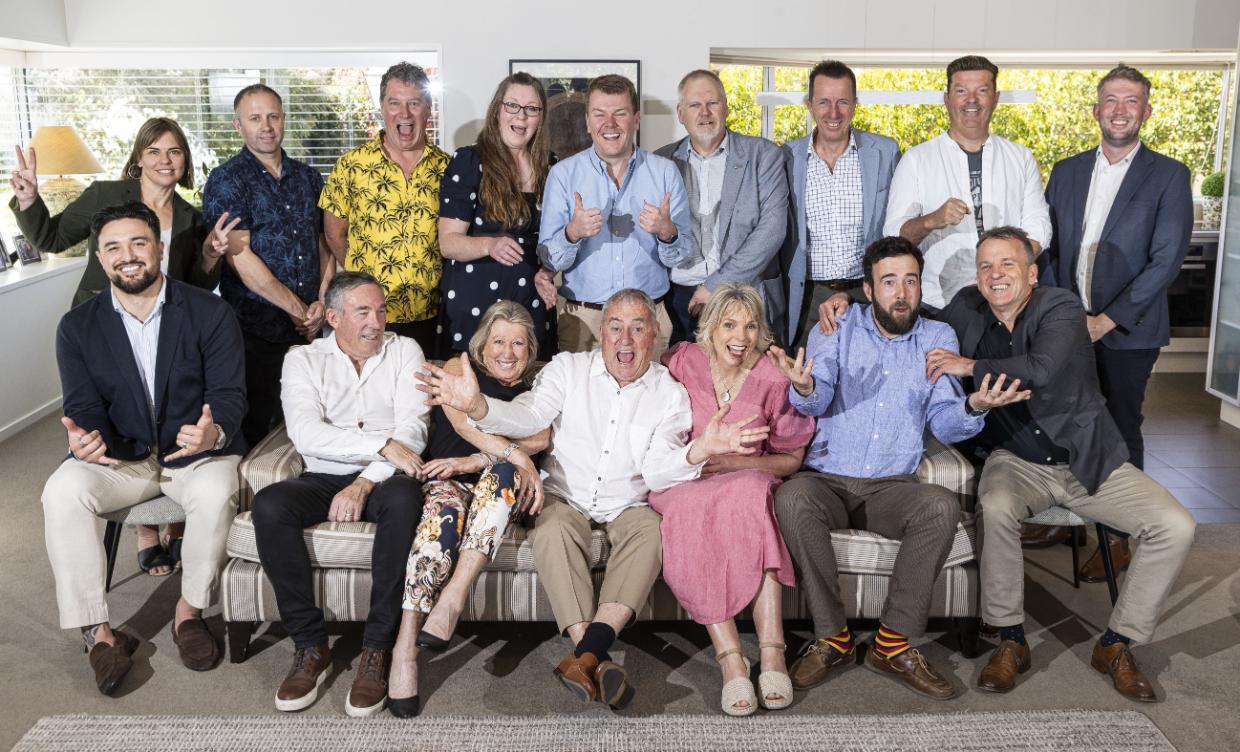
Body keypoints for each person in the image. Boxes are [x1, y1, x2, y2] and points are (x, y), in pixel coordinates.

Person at [417, 288, 768, 711]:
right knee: (551, 529)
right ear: (602, 332)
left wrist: (700, 450)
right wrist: (478, 407)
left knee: (652, 531)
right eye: (615, 327)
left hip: (629, 503)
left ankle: (583, 658)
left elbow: (658, 471)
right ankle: (594, 657)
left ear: (653, 334)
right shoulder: (567, 369)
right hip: (566, 497)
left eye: (637, 328)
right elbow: (528, 415)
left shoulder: (669, 392)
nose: (625, 339)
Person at [933, 226, 1195, 702]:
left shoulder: (1061, 306)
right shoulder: (966, 306)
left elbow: (1042, 368)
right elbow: (912, 316)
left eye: (1007, 263)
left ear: (1032, 273)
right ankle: (1010, 640)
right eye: (985, 265)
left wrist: (968, 366)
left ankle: (1116, 643)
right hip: (1016, 459)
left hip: (1085, 457)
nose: (995, 274)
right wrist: (848, 303)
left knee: (1175, 526)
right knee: (995, 506)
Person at [769, 235, 1027, 700]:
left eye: (911, 281)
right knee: (791, 497)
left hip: (892, 487)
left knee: (940, 507)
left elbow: (944, 423)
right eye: (889, 282)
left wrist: (974, 405)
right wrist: (804, 387)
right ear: (869, 289)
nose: (902, 293)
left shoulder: (937, 337)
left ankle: (891, 644)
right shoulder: (836, 325)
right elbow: (816, 397)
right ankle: (832, 638)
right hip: (827, 479)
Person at [13, 118, 235, 576]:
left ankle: (177, 524)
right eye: (154, 151)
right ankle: (146, 531)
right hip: (108, 327)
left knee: (171, 410)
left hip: (165, 331)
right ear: (138, 157)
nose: (164, 161)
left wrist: (212, 254)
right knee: (113, 420)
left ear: (185, 161)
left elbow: (192, 289)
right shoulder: (105, 196)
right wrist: (30, 199)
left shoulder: (191, 217)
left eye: (174, 152)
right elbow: (51, 238)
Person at [40, 201, 246, 694]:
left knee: (217, 491)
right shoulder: (77, 326)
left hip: (194, 453)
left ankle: (189, 612)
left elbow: (229, 395)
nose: (127, 255)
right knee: (61, 491)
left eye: (138, 242)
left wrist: (214, 431)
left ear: (159, 247)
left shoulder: (210, 311)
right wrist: (86, 439)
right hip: (121, 456)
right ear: (99, 257)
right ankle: (99, 635)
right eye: (113, 247)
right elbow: (82, 405)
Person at [1034, 66, 1193, 579]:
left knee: (1120, 428)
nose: (1120, 110)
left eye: (1131, 101)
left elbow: (1166, 260)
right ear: (1096, 109)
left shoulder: (1169, 175)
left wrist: (1107, 320)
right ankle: (1067, 521)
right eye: (1111, 100)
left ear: (1146, 111)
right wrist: (1062, 314)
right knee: (1064, 422)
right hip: (1069, 326)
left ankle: (1120, 536)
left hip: (1128, 331)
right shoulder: (1066, 171)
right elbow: (1050, 248)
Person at [251, 271, 430, 717]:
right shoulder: (303, 360)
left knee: (404, 501)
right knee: (269, 506)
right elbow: (306, 434)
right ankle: (310, 645)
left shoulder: (405, 350)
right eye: (363, 312)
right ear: (333, 317)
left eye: (381, 311)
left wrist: (366, 479)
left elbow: (413, 431)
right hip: (323, 474)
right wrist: (380, 443)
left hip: (387, 478)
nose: (376, 322)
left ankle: (377, 650)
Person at [648, 283, 814, 716]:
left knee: (750, 495)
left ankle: (773, 653)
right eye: (729, 325)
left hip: (746, 477)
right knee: (686, 508)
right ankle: (731, 662)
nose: (740, 337)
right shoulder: (683, 360)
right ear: (710, 328)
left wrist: (738, 464)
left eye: (750, 326)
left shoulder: (773, 377)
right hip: (690, 479)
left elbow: (792, 458)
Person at [386, 302, 551, 718]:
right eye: (499, 341)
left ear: (530, 348)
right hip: (448, 482)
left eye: (518, 343)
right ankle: (404, 648)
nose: (508, 352)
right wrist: (513, 451)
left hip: (499, 489)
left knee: (503, 475)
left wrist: (482, 460)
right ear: (482, 343)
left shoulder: (540, 385)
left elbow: (541, 437)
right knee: (438, 525)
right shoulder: (458, 371)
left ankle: (453, 599)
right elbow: (463, 424)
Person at [203, 83, 334, 448]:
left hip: (310, 328)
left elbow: (323, 242)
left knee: (311, 421)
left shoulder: (309, 178)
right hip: (255, 328)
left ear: (284, 119)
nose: (266, 126)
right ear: (238, 125)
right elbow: (239, 256)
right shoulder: (226, 180)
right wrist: (298, 310)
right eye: (255, 118)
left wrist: (322, 302)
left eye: (273, 116)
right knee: (258, 429)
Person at [537, 74, 693, 356]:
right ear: (587, 121)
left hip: (648, 320)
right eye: (600, 114)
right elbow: (548, 259)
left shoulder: (665, 172)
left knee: (651, 387)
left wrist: (667, 233)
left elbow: (681, 257)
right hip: (584, 323)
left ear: (636, 120)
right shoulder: (562, 175)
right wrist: (572, 233)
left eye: (620, 113)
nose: (609, 124)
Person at [884, 55, 1050, 312]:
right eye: (961, 91)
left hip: (1011, 305)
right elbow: (894, 237)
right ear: (947, 99)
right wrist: (932, 220)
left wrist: (1005, 270)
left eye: (982, 91)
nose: (971, 100)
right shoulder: (916, 160)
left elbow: (1038, 228)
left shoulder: (1021, 158)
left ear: (995, 98)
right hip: (938, 305)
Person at [320, 62, 450, 357]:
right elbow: (334, 234)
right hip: (366, 316)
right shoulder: (351, 165)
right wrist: (364, 283)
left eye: (414, 103)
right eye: (394, 103)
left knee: (422, 385)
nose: (404, 114)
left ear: (428, 109)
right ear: (382, 107)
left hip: (430, 314)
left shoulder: (448, 168)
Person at [654, 70, 789, 348]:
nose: (704, 112)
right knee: (681, 373)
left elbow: (772, 231)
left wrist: (715, 284)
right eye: (694, 105)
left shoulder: (764, 155)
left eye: (712, 103)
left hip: (744, 294)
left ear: (725, 107)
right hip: (676, 300)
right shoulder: (660, 161)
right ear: (681, 113)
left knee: (747, 374)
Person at [780, 60, 900, 349]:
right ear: (809, 105)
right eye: (824, 102)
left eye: (843, 102)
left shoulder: (885, 152)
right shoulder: (786, 157)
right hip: (807, 297)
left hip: (867, 293)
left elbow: (897, 226)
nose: (833, 113)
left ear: (855, 104)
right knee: (806, 372)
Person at [438, 73, 557, 356]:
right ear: (497, 110)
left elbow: (558, 239)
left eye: (531, 109)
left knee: (532, 379)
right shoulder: (469, 161)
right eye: (512, 105)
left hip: (531, 303)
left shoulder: (551, 167)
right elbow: (448, 243)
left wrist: (547, 271)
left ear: (541, 117)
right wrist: (490, 245)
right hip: (475, 305)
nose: (521, 116)